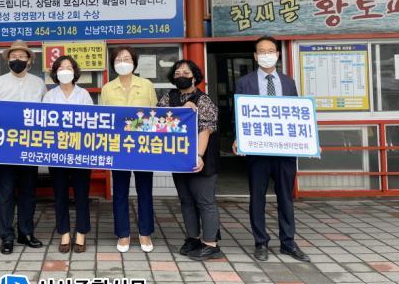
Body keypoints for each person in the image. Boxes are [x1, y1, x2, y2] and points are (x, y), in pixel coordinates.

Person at [234, 35, 309, 262]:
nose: (266, 55)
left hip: (284, 150)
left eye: (270, 51)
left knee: (285, 197)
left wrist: (307, 139)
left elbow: (296, 114)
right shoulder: (244, 82)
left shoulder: (288, 82)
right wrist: (238, 137)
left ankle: (288, 242)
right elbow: (240, 113)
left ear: (277, 54)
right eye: (262, 51)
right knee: (257, 198)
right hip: (258, 150)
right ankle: (261, 242)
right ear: (255, 56)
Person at [0, 40, 47, 254]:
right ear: (7, 60)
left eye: (22, 56)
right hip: (4, 148)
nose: (17, 60)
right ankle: (7, 236)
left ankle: (26, 232)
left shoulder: (39, 84)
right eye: (13, 57)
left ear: (29, 60)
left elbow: (46, 114)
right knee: (6, 193)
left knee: (28, 192)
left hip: (31, 146)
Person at [158, 60, 222, 261]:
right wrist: (182, 111)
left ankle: (210, 244)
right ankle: (193, 238)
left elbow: (207, 130)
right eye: (177, 73)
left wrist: (199, 155)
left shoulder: (203, 100)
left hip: (201, 158)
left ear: (194, 77)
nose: (181, 76)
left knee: (205, 201)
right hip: (179, 158)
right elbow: (159, 120)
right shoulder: (169, 97)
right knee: (186, 201)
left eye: (186, 73)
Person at [100, 46, 158, 253]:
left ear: (134, 62)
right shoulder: (108, 88)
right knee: (120, 191)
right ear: (113, 64)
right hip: (118, 147)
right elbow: (105, 119)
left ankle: (145, 232)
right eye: (118, 59)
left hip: (143, 147)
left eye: (126, 58)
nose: (122, 62)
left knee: (145, 190)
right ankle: (123, 234)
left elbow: (154, 115)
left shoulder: (146, 85)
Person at [43, 55, 93, 253]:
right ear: (56, 72)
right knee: (60, 194)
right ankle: (64, 233)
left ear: (75, 72)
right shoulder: (49, 96)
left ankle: (81, 233)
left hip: (81, 152)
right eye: (61, 67)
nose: (65, 71)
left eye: (69, 67)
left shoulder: (84, 94)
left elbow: (92, 122)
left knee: (81, 194)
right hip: (57, 153)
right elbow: (44, 123)